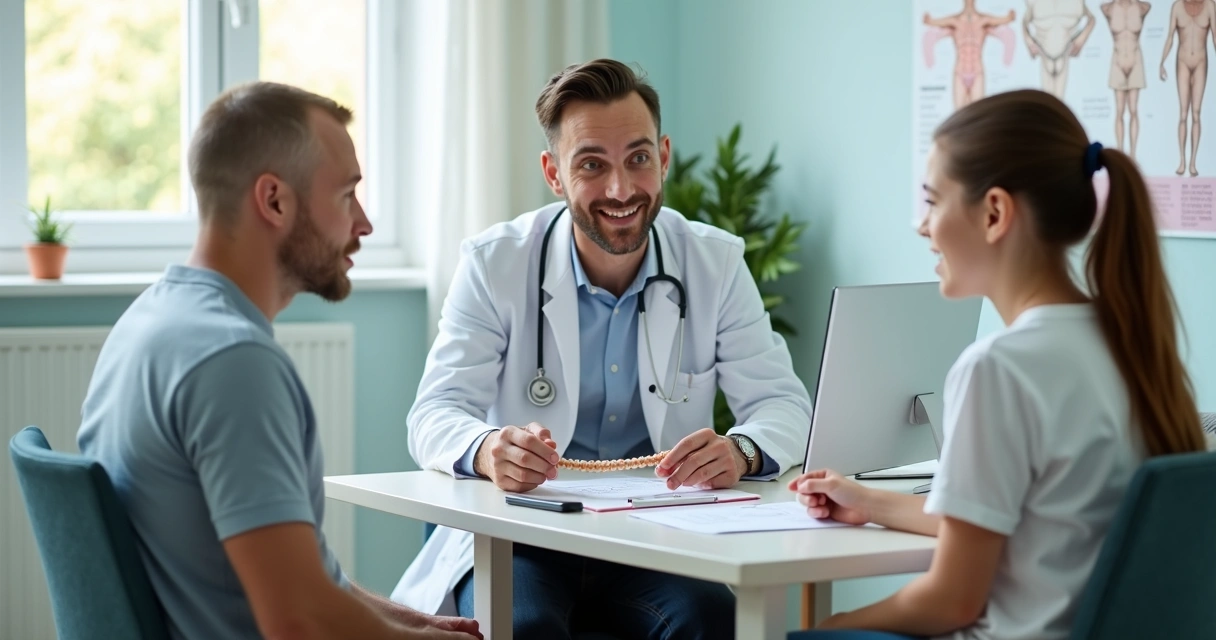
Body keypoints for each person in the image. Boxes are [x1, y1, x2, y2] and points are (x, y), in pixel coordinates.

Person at [392, 58, 813, 638]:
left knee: (713, 622)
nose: (621, 189)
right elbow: (433, 415)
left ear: (663, 158)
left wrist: (740, 451)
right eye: (592, 164)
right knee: (525, 626)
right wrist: (489, 448)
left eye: (638, 159)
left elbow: (784, 406)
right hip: (524, 537)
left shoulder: (714, 262)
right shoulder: (495, 263)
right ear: (554, 172)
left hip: (654, 536)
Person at [787, 89, 1206, 640]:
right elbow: (1020, 526)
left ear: (994, 213)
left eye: (933, 201)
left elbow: (952, 600)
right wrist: (867, 501)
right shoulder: (1131, 344)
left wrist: (834, 625)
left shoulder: (999, 369)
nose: (921, 224)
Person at [76, 81, 482, 640]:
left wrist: (414, 624)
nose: (363, 224)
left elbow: (300, 582)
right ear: (274, 200)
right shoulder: (233, 363)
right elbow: (298, 621)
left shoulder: (151, 322)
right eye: (346, 195)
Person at [1159, 0, 1216, 176]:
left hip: (1200, 61)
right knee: (1183, 113)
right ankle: (1182, 161)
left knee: (1196, 113)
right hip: (1182, 61)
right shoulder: (1177, 6)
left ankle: (1193, 162)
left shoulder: (1210, 6)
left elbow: (1215, 35)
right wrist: (1162, 62)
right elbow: (1170, 36)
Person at [1102, 0, 1151, 159]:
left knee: (1134, 110)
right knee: (1119, 111)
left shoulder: (1142, 7)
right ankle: (1121, 152)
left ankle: (1133, 154)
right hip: (1117, 62)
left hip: (1135, 61)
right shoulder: (1107, 8)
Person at [1024, 0, 1096, 100]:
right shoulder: (1035, 2)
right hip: (1045, 52)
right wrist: (1029, 41)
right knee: (1047, 104)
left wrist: (1082, 38)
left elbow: (1091, 19)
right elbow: (1024, 22)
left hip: (1064, 52)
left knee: (1059, 104)